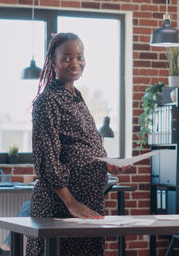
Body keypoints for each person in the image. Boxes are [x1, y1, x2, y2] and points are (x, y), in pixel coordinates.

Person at [27, 32, 126, 256]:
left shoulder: (76, 97)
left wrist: (107, 164)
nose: (75, 63)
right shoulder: (47, 101)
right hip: (60, 206)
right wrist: (71, 203)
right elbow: (47, 159)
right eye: (67, 57)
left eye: (79, 57)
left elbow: (83, 145)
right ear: (53, 61)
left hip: (88, 201)